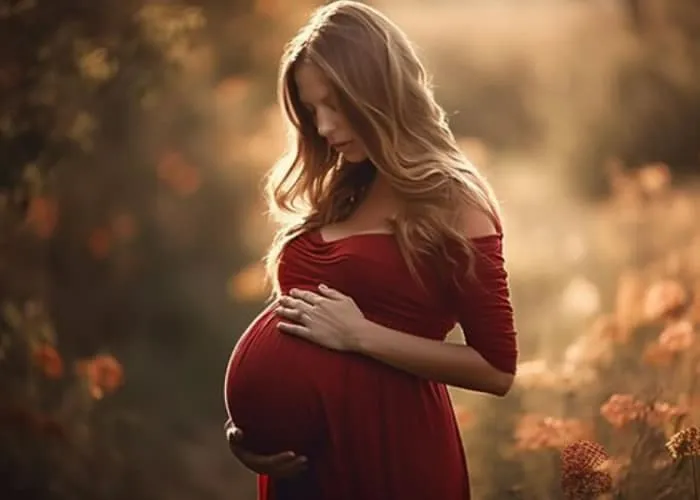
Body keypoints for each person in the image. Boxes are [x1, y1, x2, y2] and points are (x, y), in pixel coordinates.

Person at [223, 1, 519, 499]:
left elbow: (497, 369)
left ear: (379, 91)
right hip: (301, 470)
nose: (322, 127)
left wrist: (361, 336)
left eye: (334, 105)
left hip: (388, 455)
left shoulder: (454, 201)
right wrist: (253, 432)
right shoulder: (346, 187)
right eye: (311, 109)